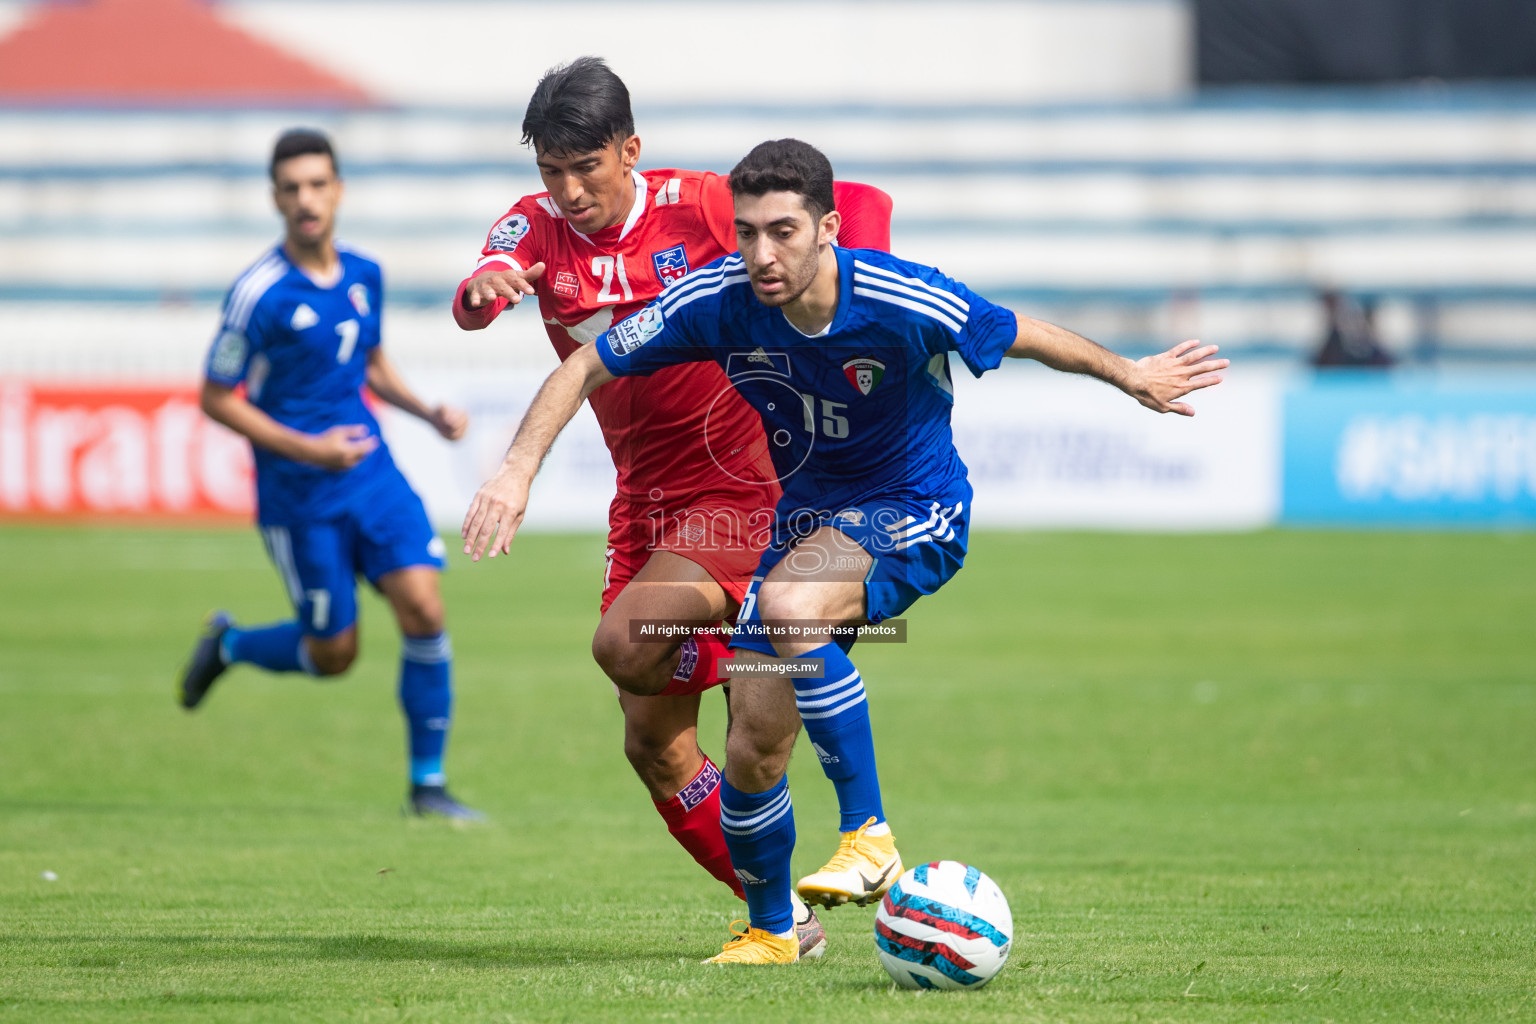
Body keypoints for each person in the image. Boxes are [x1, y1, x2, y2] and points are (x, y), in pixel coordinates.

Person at [461, 138, 1229, 963]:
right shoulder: (720, 301)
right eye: (749, 232)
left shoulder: (899, 297)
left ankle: (869, 835)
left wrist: (1132, 375)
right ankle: (774, 930)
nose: (762, 253)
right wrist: (515, 468)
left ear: (827, 228)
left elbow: (1023, 334)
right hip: (804, 527)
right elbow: (588, 362)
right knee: (753, 743)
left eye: (783, 232)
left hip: (912, 511)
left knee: (791, 607)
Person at [454, 58, 895, 955]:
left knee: (626, 643)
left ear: (631, 151)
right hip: (642, 497)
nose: (570, 191)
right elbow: (481, 284)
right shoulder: (536, 226)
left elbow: (861, 200)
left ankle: (763, 658)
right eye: (553, 171)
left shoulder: (697, 204)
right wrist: (487, 286)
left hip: (740, 486)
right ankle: (784, 918)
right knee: (652, 743)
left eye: (589, 168)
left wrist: (852, 306)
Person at [179, 129, 482, 821]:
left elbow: (371, 363)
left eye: (317, 184)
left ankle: (427, 786)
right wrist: (309, 450)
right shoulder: (258, 293)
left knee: (425, 608)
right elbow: (216, 397)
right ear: (276, 199)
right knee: (333, 654)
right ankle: (228, 645)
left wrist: (426, 410)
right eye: (292, 189)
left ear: (338, 190)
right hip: (301, 494)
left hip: (372, 475)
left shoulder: (364, 273)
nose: (305, 200)